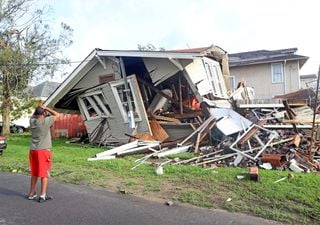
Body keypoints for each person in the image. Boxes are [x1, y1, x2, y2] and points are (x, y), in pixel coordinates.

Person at [27, 105, 59, 203]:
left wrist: (39, 109)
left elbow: (34, 115)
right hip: (43, 151)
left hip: (33, 150)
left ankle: (31, 193)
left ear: (36, 114)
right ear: (44, 114)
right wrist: (46, 107)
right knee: (44, 173)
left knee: (34, 173)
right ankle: (42, 195)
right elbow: (57, 115)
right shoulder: (46, 121)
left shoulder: (32, 121)